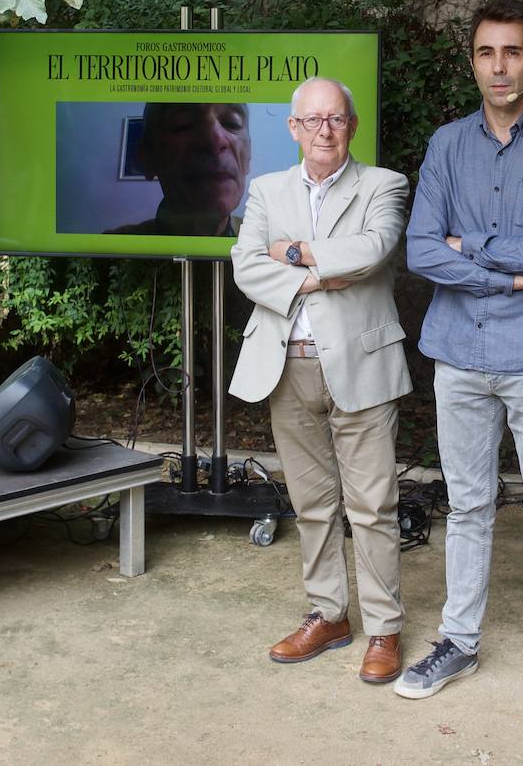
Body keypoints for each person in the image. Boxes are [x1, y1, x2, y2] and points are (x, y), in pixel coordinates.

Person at [396, 0, 523, 733]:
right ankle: (459, 642)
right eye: (487, 52)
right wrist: (505, 268)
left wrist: (465, 249)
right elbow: (419, 251)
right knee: (468, 505)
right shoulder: (446, 145)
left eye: (514, 52)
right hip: (461, 355)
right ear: (473, 60)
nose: (500, 66)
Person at [229, 76, 412, 684]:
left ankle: (384, 629)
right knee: (311, 505)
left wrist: (293, 252)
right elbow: (245, 266)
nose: (323, 131)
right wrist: (320, 271)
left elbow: (374, 247)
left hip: (360, 365)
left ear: (351, 126)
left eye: (334, 119)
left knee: (373, 506)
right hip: (286, 366)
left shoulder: (383, 185)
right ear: (292, 129)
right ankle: (329, 614)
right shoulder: (265, 189)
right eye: (311, 121)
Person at [108, 102, 252, 236]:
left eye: (233, 122)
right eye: (183, 124)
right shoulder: (107, 254)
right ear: (147, 159)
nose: (215, 139)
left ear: (248, 159)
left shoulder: (267, 246)